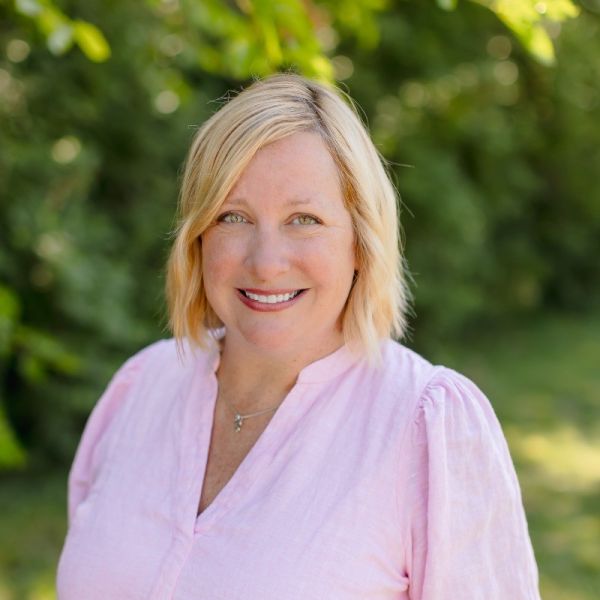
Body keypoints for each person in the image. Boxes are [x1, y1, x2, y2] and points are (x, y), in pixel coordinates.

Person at [56, 73, 541, 599]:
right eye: (233, 216)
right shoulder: (142, 386)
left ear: (360, 241)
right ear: (198, 237)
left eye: (304, 219)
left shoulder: (426, 427)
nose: (266, 263)